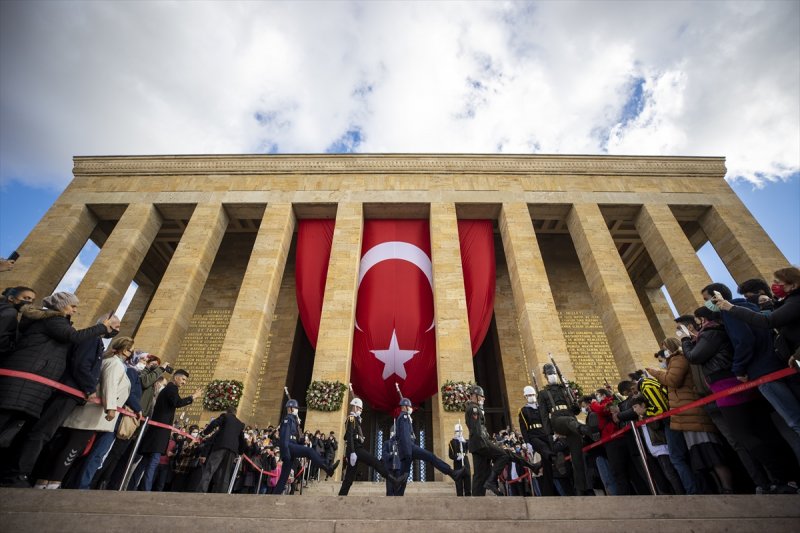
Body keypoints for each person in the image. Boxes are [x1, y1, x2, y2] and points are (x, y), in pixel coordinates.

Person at [3, 313, 120, 487]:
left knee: (45, 432)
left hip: (71, 393)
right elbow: (81, 365)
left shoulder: (95, 341)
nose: (117, 330)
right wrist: (89, 388)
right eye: (116, 326)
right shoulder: (92, 339)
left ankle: (20, 472)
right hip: (68, 391)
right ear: (105, 323)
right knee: (42, 432)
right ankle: (17, 473)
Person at [0, 292, 114, 449]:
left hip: (34, 382)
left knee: (11, 430)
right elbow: (73, 337)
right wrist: (102, 327)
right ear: (61, 305)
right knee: (7, 424)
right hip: (26, 380)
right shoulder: (53, 319)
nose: (75, 310)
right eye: (72, 306)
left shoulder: (56, 321)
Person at [38, 335, 134, 489]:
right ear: (125, 350)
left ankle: (43, 479)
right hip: (92, 414)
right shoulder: (115, 364)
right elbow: (110, 385)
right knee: (74, 448)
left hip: (85, 412)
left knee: (62, 445)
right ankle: (54, 482)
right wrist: (111, 407)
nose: (132, 354)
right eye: (131, 350)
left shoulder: (107, 360)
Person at [647, 337, 734, 493]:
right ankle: (719, 488)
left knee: (710, 452)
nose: (662, 351)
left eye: (664, 347)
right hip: (686, 415)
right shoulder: (674, 361)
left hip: (692, 413)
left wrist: (654, 373)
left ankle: (728, 488)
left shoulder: (678, 359)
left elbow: (673, 380)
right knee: (701, 455)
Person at [131, 369, 202, 491]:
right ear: (175, 377)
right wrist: (193, 397)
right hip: (159, 433)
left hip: (156, 432)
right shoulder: (171, 389)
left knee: (145, 461)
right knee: (153, 461)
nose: (184, 382)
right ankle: (145, 490)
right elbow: (177, 402)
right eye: (183, 379)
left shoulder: (169, 389)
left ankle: (131, 486)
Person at [537, 363, 593, 495]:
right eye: (549, 374)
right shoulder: (543, 393)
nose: (552, 376)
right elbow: (544, 416)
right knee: (569, 422)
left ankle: (582, 489)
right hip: (557, 420)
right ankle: (584, 429)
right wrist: (549, 434)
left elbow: (576, 410)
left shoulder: (565, 389)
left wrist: (573, 398)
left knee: (577, 457)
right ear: (545, 376)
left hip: (571, 420)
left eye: (553, 373)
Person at [394, 397, 464, 495]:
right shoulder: (404, 417)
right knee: (431, 457)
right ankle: (452, 473)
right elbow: (405, 437)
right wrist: (408, 454)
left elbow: (398, 436)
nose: (411, 408)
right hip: (409, 449)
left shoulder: (402, 418)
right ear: (405, 407)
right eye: (409, 406)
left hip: (406, 450)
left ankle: (397, 495)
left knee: (404, 476)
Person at [273, 398, 339, 495]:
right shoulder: (288, 419)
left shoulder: (294, 421)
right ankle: (327, 467)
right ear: (290, 408)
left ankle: (275, 495)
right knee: (309, 451)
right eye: (295, 408)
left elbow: (298, 439)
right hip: (289, 447)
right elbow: (284, 437)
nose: (297, 410)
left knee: (284, 476)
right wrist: (285, 452)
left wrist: (303, 438)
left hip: (292, 446)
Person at [338, 397, 395, 496]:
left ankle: (341, 495)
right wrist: (352, 452)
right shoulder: (351, 419)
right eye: (360, 408)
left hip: (356, 449)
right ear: (355, 407)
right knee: (375, 462)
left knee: (349, 478)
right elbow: (349, 436)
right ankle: (392, 478)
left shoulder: (356, 419)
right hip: (356, 450)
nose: (361, 410)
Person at [464, 385, 511, 496]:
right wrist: (485, 444)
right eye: (481, 396)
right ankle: (491, 481)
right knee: (503, 455)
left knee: (480, 475)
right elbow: (476, 430)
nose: (483, 398)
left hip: (478, 444)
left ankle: (478, 499)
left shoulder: (476, 409)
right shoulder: (473, 408)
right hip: (480, 444)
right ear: (474, 396)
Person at [197, 407, 246, 493]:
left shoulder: (225, 416)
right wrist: (241, 452)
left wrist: (205, 433)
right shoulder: (240, 424)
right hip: (232, 451)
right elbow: (242, 439)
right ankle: (221, 494)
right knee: (225, 473)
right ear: (235, 413)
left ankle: (201, 490)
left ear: (227, 412)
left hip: (221, 446)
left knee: (210, 468)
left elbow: (214, 423)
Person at [518, 385, 555, 496]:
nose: (531, 397)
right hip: (533, 435)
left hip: (544, 433)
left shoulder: (541, 408)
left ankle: (548, 493)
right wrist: (527, 442)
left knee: (547, 468)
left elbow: (548, 421)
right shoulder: (523, 410)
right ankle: (553, 456)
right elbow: (523, 428)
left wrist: (552, 433)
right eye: (529, 395)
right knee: (542, 447)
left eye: (533, 395)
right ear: (525, 397)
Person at [0, 286, 35, 358]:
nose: (30, 301)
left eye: (32, 300)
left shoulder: (3, 308)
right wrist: (11, 347)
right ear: (11, 298)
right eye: (26, 298)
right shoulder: (10, 312)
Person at [448, 423, 471, 496]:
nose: (459, 433)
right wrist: (457, 457)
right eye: (457, 431)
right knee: (458, 482)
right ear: (455, 432)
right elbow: (450, 455)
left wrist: (464, 442)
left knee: (467, 480)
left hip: (465, 461)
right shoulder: (452, 442)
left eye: (460, 431)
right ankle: (460, 496)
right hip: (457, 462)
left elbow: (470, 448)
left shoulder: (465, 441)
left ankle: (468, 495)